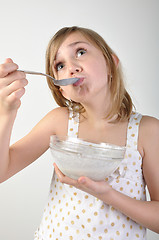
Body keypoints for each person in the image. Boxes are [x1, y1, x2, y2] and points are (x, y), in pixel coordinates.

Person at [0, 26, 159, 240]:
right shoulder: (59, 121)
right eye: (60, 65)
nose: (71, 68)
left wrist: (107, 194)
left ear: (111, 63)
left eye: (80, 52)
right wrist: (6, 113)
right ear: (61, 88)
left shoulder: (148, 131)